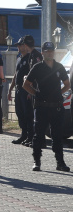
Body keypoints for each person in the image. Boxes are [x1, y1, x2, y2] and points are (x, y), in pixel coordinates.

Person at [23, 42, 70, 172]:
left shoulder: (59, 67)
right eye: (47, 51)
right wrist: (36, 94)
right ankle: (37, 161)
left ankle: (60, 163)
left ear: (53, 52)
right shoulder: (37, 67)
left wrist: (57, 94)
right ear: (42, 52)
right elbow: (26, 84)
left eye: (51, 51)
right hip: (41, 107)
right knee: (38, 135)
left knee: (57, 135)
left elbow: (67, 84)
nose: (49, 53)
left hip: (56, 107)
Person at [8, 37, 34, 144]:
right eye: (17, 45)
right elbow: (16, 74)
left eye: (20, 45)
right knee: (19, 113)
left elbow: (32, 76)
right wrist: (10, 90)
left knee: (28, 114)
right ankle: (23, 135)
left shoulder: (29, 59)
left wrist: (30, 91)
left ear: (24, 46)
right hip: (18, 89)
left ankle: (30, 136)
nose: (18, 47)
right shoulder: (19, 58)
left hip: (26, 90)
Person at [22, 34, 43, 147]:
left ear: (25, 45)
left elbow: (37, 75)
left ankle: (37, 140)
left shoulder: (36, 55)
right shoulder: (31, 55)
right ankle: (32, 138)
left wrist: (31, 91)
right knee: (31, 116)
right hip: (32, 89)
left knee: (36, 117)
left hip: (36, 90)